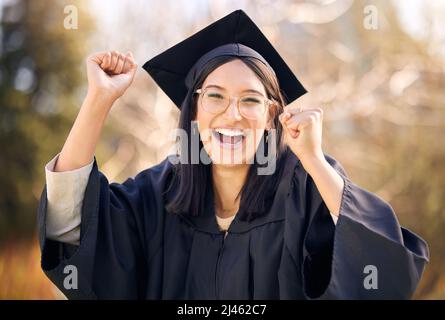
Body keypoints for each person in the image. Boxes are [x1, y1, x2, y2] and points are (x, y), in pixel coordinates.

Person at [38, 10, 429, 299]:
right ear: (193, 109)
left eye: (251, 100)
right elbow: (69, 227)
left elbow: (385, 275)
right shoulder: (157, 194)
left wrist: (314, 160)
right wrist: (98, 100)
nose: (233, 114)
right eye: (216, 97)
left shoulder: (305, 186)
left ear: (271, 114)